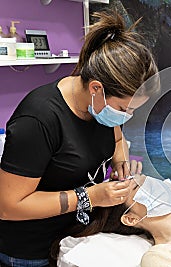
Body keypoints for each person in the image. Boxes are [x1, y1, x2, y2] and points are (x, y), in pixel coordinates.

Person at [0, 10, 159, 267]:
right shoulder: (38, 120)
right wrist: (91, 197)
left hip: (74, 237)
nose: (126, 117)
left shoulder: (100, 109)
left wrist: (120, 160)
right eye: (123, 109)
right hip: (30, 251)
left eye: (133, 111)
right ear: (96, 88)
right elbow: (8, 206)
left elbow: (116, 137)